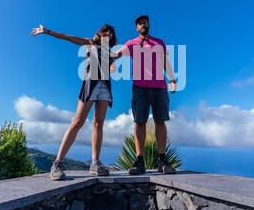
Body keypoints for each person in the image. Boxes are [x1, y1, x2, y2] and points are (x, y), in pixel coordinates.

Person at [31, 23, 117, 181]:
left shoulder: (110, 52)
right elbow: (68, 37)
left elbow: (113, 63)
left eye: (110, 33)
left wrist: (112, 65)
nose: (108, 34)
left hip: (104, 89)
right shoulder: (90, 43)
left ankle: (95, 163)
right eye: (105, 31)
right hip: (90, 87)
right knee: (77, 122)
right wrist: (47, 31)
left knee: (98, 124)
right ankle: (57, 163)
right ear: (99, 33)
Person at [113, 15, 177, 175]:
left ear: (148, 25)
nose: (143, 24)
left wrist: (173, 79)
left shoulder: (159, 42)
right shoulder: (131, 43)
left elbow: (165, 62)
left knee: (160, 121)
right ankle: (139, 161)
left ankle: (162, 160)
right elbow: (117, 54)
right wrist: (101, 55)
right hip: (140, 88)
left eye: (145, 22)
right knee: (139, 122)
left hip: (159, 87)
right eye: (140, 23)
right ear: (136, 27)